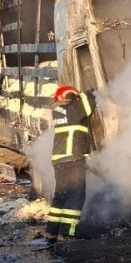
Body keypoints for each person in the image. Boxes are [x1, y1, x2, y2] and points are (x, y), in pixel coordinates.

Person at [45, 85, 94, 249]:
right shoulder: (74, 110)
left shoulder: (58, 111)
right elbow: (89, 105)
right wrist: (88, 93)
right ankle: (67, 233)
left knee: (61, 195)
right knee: (76, 197)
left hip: (59, 161)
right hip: (72, 160)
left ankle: (51, 232)